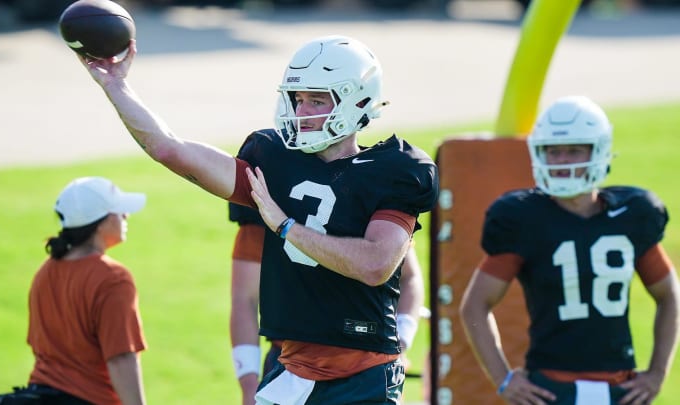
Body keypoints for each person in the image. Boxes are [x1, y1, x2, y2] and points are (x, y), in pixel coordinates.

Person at [77, 34, 439, 403]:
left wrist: (285, 226)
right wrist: (115, 85)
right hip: (293, 370)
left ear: (357, 100)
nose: (302, 113)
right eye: (298, 100)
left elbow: (376, 264)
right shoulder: (273, 160)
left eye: (317, 100)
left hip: (363, 377)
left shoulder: (394, 169)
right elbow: (170, 148)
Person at [459, 96, 680, 405]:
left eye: (574, 150)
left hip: (620, 389)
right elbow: (475, 306)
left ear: (599, 150)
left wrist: (657, 373)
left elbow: (669, 295)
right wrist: (504, 379)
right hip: (552, 389)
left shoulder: (632, 215)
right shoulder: (524, 219)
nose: (563, 161)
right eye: (554, 151)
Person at [228, 203, 426, 405]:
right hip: (291, 365)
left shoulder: (368, 198)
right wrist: (248, 382)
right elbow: (245, 297)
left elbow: (408, 277)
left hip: (369, 364)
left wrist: (401, 341)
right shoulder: (273, 202)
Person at [0, 176, 149, 405]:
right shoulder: (113, 279)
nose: (126, 215)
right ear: (99, 222)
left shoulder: (45, 273)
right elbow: (121, 358)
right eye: (119, 211)